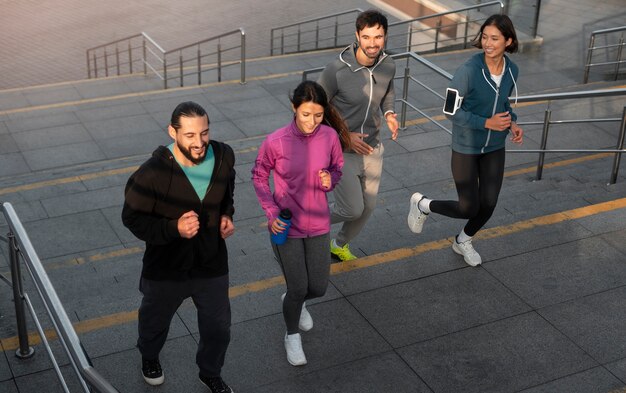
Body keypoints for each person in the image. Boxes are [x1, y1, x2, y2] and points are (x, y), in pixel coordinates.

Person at [122, 101, 236, 393]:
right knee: (154, 323)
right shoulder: (151, 174)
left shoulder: (223, 156)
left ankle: (210, 372)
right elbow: (131, 218)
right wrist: (172, 228)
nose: (199, 143)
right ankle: (149, 356)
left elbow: (227, 189)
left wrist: (226, 214)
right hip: (166, 267)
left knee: (218, 327)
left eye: (204, 133)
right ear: (172, 132)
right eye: (189, 135)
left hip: (210, 261)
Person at [407, 14, 523, 267]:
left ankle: (463, 240)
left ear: (508, 41)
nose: (488, 43)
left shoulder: (512, 70)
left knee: (489, 203)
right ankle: (424, 204)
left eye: (495, 38)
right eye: (484, 37)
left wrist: (511, 122)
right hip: (466, 147)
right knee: (469, 207)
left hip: (494, 146)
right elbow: (449, 111)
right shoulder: (468, 71)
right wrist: (486, 123)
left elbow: (503, 103)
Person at [251, 81, 349, 366]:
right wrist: (270, 211)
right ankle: (291, 335)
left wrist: (331, 178)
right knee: (297, 288)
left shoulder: (329, 136)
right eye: (306, 114)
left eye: (318, 115)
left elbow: (338, 167)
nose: (311, 122)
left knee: (317, 287)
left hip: (318, 223)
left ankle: (296, 300)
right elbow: (258, 175)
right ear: (294, 108)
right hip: (286, 226)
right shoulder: (276, 141)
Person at [317, 9, 399, 262]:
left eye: (378, 37)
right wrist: (344, 137)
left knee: (368, 208)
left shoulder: (388, 64)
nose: (373, 43)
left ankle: (339, 244)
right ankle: (304, 222)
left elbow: (387, 92)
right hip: (341, 152)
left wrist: (390, 114)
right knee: (351, 208)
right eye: (367, 37)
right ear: (357, 36)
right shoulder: (336, 70)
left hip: (373, 148)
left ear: (385, 36)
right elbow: (312, 111)